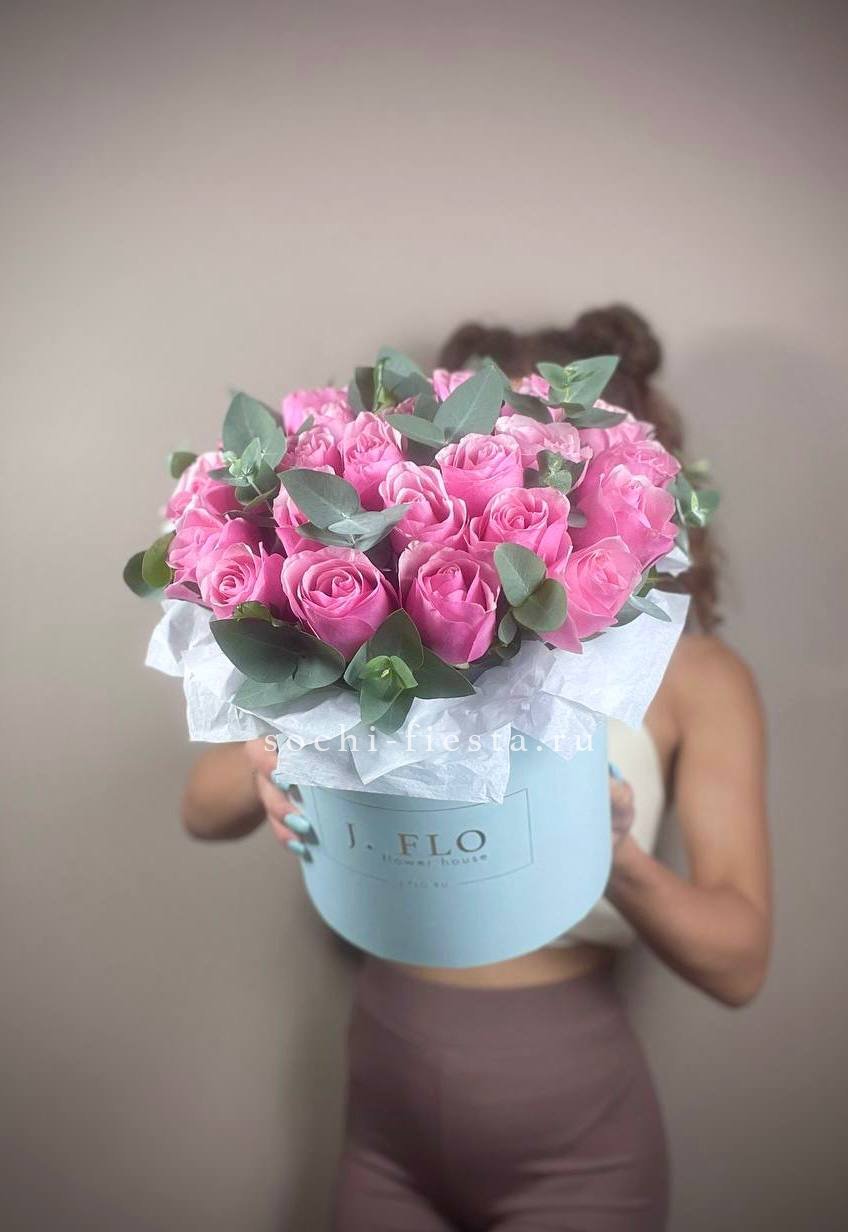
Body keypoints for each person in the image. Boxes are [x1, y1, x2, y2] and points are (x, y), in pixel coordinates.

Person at [181, 305, 771, 1230]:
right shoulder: (384, 643)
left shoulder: (699, 679)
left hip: (576, 1133)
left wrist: (609, 849)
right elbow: (201, 809)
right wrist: (289, 748)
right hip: (382, 1101)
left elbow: (738, 966)